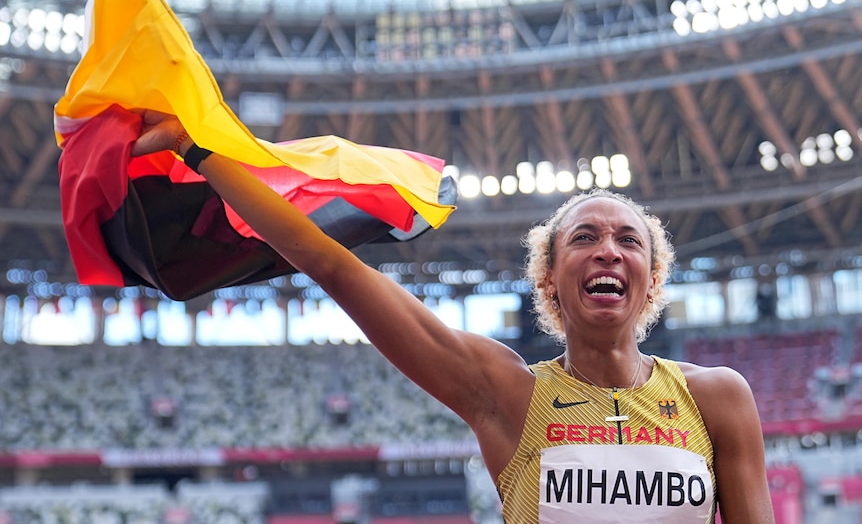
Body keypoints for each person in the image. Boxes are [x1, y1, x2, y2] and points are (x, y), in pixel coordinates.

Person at [131, 111, 775, 523]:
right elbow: (332, 265)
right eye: (584, 238)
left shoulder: (717, 399)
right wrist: (197, 150)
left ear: (652, 278)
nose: (608, 249)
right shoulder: (506, 393)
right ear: (549, 279)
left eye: (628, 241)